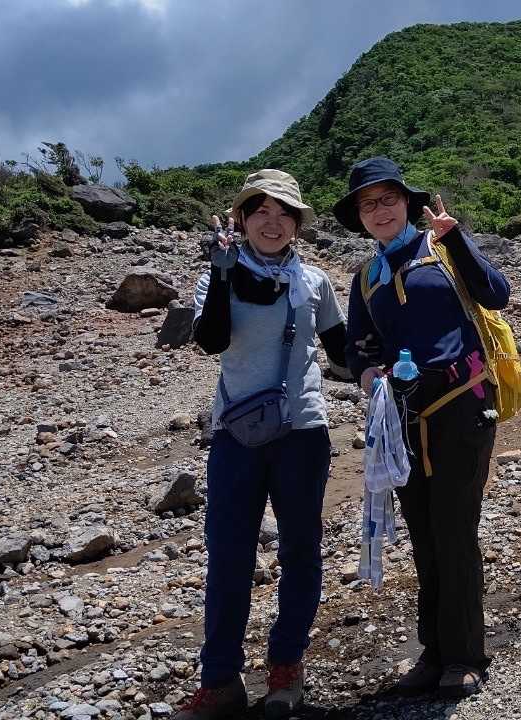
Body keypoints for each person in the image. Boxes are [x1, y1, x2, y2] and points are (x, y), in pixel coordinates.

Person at [174, 169, 347, 720]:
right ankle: (220, 681)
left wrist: (393, 361)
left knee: (300, 550)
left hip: (302, 431)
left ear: (297, 224)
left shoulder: (314, 281)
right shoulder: (217, 273)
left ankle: (286, 667)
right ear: (242, 219)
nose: (273, 223)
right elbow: (210, 341)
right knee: (228, 556)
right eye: (261, 212)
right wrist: (221, 272)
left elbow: (344, 350)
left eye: (284, 214)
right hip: (236, 434)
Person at [336, 156, 511, 699]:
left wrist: (456, 238)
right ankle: (433, 653)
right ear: (360, 217)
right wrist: (368, 372)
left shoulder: (442, 249)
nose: (380, 210)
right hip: (405, 419)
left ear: (408, 204)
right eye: (368, 204)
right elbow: (357, 346)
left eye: (388, 199)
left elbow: (496, 294)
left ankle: (464, 656)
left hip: (462, 406)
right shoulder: (365, 278)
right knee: (425, 536)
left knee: (454, 531)